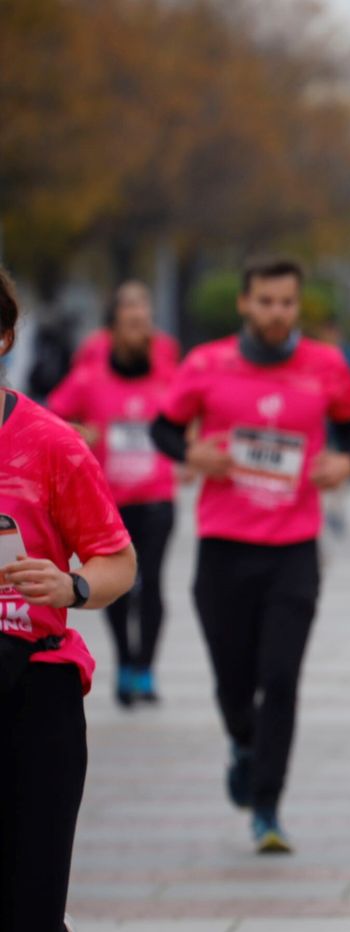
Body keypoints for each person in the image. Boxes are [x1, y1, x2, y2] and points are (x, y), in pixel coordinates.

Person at [150, 255, 350, 854]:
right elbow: (163, 429)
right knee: (233, 682)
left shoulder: (325, 366)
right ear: (245, 304)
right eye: (266, 302)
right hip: (223, 546)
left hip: (293, 548)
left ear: (298, 306)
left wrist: (347, 462)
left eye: (287, 303)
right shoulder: (206, 364)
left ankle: (268, 807)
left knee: (280, 677)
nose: (277, 313)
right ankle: (243, 743)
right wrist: (191, 454)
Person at [0, 264, 138, 932]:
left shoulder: (51, 445)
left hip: (38, 683)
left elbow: (118, 561)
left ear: (5, 339)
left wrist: (73, 584)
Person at [47, 284, 181, 706]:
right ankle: (124, 662)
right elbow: (49, 417)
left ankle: (145, 669)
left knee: (152, 582)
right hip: (110, 500)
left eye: (145, 319)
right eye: (131, 319)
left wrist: (191, 449)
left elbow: (189, 415)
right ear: (114, 328)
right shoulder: (89, 377)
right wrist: (78, 433)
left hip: (158, 497)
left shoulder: (167, 371)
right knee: (120, 585)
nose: (140, 327)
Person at [67, 281, 182, 372]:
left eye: (143, 305)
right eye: (129, 305)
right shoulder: (94, 349)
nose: (137, 313)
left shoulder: (166, 348)